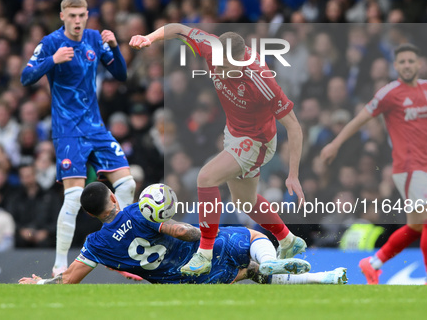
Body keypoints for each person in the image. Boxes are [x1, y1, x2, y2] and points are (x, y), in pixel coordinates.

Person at [130, 24, 306, 276]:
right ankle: (288, 240)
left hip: (258, 140)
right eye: (217, 63)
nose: (219, 71)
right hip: (233, 132)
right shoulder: (212, 48)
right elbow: (178, 29)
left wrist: (293, 174)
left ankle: (204, 254)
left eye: (226, 66)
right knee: (244, 201)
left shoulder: (260, 78)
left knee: (206, 176)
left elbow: (294, 126)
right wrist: (149, 37)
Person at [19, 182, 347, 285]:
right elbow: (183, 232)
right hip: (199, 254)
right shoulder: (138, 211)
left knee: (252, 275)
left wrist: (42, 284)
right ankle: (271, 258)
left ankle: (327, 278)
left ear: (89, 215)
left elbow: (70, 279)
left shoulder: (95, 244)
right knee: (250, 238)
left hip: (185, 279)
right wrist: (193, 229)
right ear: (114, 198)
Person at [21, 0, 137, 276]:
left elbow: (120, 74)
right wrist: (53, 60)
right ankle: (60, 264)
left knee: (128, 185)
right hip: (68, 131)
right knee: (73, 198)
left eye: (82, 15)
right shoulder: (51, 43)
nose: (77, 20)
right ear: (62, 16)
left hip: (96, 127)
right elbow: (26, 77)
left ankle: (126, 250)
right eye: (72, 15)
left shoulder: (95, 39)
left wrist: (114, 47)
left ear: (87, 15)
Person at [321, 43, 427, 285]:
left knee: (416, 227)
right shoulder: (389, 93)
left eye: (411, 61)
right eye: (402, 62)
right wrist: (336, 143)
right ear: (395, 66)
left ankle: (373, 264)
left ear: (419, 64)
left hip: (425, 167)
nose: (406, 65)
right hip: (408, 167)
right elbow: (361, 118)